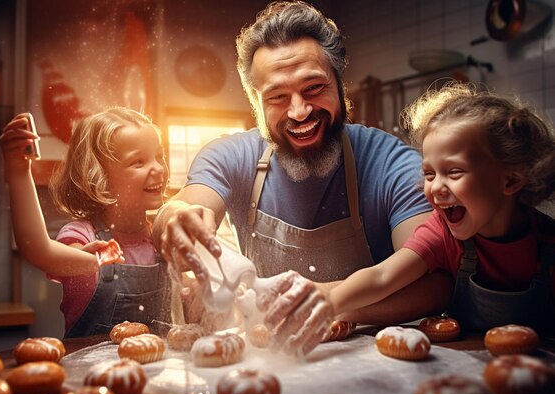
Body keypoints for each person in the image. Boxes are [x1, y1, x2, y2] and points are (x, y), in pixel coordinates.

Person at [153, 0, 452, 332]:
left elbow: (433, 285)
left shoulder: (392, 163)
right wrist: (174, 216)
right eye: (278, 97)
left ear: (340, 84)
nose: (299, 111)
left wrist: (326, 305)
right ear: (256, 103)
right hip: (272, 362)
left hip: (377, 363)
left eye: (314, 88)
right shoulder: (229, 156)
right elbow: (187, 205)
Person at [263, 82, 555, 355]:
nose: (436, 187)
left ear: (511, 180)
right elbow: (381, 276)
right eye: (429, 174)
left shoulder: (548, 241)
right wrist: (328, 304)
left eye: (454, 172)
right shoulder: (441, 234)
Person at [0, 108, 173, 337]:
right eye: (138, 162)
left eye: (159, 156)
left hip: (158, 372)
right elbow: (38, 249)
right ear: (99, 177)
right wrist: (19, 171)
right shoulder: (83, 237)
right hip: (93, 372)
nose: (159, 168)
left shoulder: (162, 236)